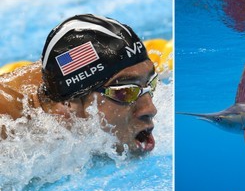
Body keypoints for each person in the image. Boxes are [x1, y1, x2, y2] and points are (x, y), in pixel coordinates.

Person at [0, 14, 158, 157]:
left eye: (150, 83)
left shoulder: (62, 78)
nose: (150, 109)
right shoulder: (7, 125)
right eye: (124, 92)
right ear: (68, 104)